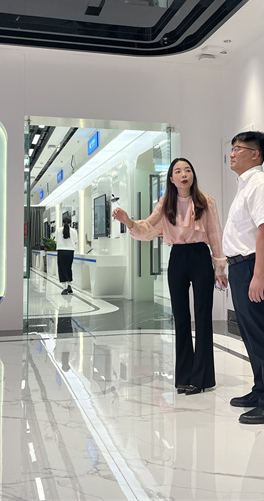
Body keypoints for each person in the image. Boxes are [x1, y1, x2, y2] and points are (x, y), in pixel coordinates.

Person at [112, 157, 227, 395]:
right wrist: (129, 222)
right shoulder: (166, 203)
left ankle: (202, 378)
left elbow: (216, 233)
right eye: (178, 171)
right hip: (177, 258)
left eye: (188, 170)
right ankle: (184, 376)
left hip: (200, 256)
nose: (183, 174)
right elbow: (148, 228)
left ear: (193, 175)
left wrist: (220, 267)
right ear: (171, 179)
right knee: (181, 318)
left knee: (203, 316)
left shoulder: (206, 201)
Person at [222, 131, 264, 425]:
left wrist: (258, 275)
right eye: (232, 148)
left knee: (261, 334)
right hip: (241, 267)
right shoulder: (246, 185)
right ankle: (260, 390)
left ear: (256, 154)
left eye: (238, 148)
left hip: (253, 267)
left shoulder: (261, 184)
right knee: (249, 334)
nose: (232, 153)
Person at [56, 215, 79, 295]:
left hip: (61, 251)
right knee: (69, 268)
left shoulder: (58, 230)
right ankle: (69, 285)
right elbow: (75, 242)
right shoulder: (74, 231)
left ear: (62, 223)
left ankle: (64, 288)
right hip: (70, 252)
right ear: (70, 223)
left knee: (62, 269)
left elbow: (56, 241)